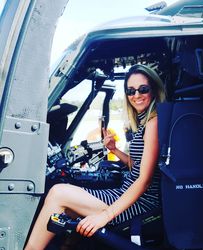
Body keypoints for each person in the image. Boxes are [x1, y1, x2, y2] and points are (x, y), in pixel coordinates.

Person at [25, 64, 166, 250]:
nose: (136, 95)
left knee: (58, 192)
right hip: (127, 194)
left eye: (143, 89)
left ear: (154, 89)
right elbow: (137, 165)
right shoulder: (145, 122)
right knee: (67, 206)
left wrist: (105, 216)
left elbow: (144, 180)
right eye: (130, 91)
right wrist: (114, 150)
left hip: (140, 204)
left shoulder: (153, 123)